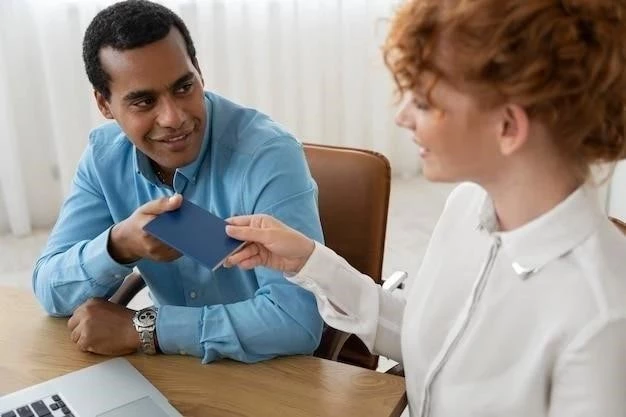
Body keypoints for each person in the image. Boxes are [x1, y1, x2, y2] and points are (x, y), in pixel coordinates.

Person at [224, 0, 626, 415]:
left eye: (421, 100)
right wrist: (307, 261)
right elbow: (428, 341)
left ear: (507, 126)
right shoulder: (468, 205)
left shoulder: (603, 318)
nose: (401, 117)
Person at [32, 0, 324, 364]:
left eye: (184, 87)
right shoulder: (105, 156)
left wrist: (145, 328)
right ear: (104, 105)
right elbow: (49, 288)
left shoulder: (268, 155)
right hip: (174, 370)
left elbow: (296, 321)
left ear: (199, 72)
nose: (173, 118)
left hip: (267, 373)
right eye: (143, 102)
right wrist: (119, 245)